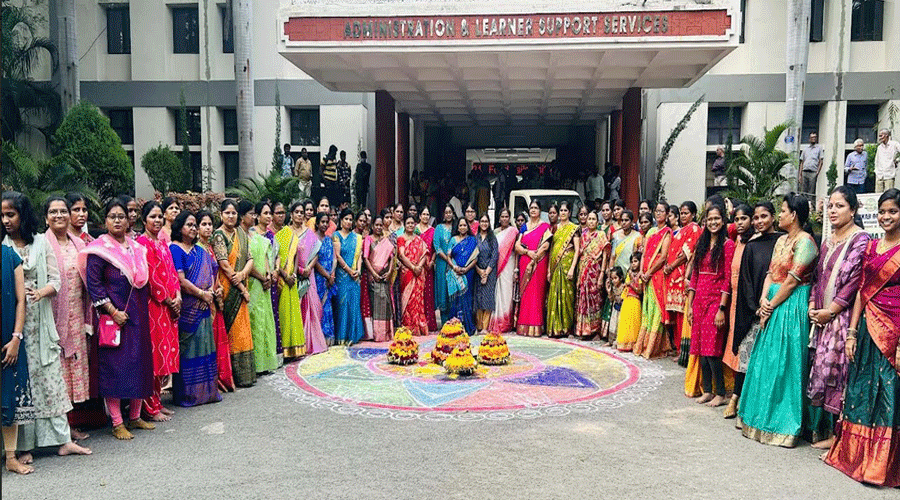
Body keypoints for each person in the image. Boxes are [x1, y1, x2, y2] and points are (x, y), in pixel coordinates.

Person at [2, 192, 92, 458]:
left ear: (23, 215)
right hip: (13, 324)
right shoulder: (4, 246)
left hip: (41, 322)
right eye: (3, 216)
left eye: (11, 214)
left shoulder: (41, 243)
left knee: (50, 380)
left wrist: (42, 293)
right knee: (22, 383)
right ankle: (23, 447)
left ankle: (62, 440)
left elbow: (57, 280)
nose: (6, 220)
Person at [824, 188, 900, 487]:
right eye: (882, 211)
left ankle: (883, 465)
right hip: (867, 328)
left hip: (893, 331)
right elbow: (861, 291)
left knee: (888, 395)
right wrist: (852, 332)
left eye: (892, 211)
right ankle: (857, 458)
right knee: (860, 392)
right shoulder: (872, 247)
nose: (885, 217)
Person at [738, 193, 818, 447]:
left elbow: (793, 280)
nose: (780, 215)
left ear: (793, 215)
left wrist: (771, 305)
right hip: (772, 301)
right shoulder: (781, 240)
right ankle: (760, 420)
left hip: (791, 305)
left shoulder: (806, 242)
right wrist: (763, 300)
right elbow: (771, 274)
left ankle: (784, 425)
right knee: (766, 361)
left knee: (785, 362)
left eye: (782, 211)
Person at [80, 197, 154, 440]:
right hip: (115, 320)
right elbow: (94, 285)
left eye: (122, 216)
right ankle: (117, 422)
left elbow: (143, 281)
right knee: (115, 368)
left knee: (139, 365)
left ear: (128, 219)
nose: (118, 220)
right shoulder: (99, 251)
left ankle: (135, 417)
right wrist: (112, 311)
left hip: (138, 315)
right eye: (112, 217)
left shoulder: (136, 248)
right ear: (105, 221)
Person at [807, 186, 870, 450]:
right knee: (826, 373)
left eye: (840, 206)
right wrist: (813, 304)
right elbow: (818, 278)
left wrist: (830, 310)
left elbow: (854, 282)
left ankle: (842, 438)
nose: (833, 211)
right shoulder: (828, 241)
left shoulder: (861, 240)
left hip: (843, 319)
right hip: (823, 318)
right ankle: (832, 434)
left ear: (853, 210)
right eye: (830, 206)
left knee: (841, 375)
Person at [726, 202, 781, 420]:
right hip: (754, 312)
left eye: (763, 216)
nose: (759, 221)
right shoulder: (752, 246)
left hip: (777, 308)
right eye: (756, 217)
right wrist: (755, 309)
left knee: (770, 362)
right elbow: (746, 282)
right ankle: (736, 398)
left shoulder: (783, 241)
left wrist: (772, 305)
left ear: (773, 217)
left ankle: (761, 405)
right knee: (746, 357)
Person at [43, 197, 91, 437]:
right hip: (52, 318)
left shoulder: (78, 244)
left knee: (74, 372)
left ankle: (70, 424)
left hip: (77, 315)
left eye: (63, 211)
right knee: (57, 371)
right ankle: (60, 429)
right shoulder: (42, 244)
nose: (59, 215)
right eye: (54, 211)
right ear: (46, 217)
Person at [168, 211, 221, 408]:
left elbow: (210, 274)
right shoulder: (175, 249)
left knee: (205, 347)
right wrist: (202, 294)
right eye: (189, 224)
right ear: (179, 227)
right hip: (189, 308)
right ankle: (188, 395)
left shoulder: (201, 251)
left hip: (205, 305)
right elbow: (180, 280)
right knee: (188, 351)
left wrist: (210, 292)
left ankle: (207, 392)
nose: (192, 228)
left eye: (194, 225)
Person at [685, 203, 735, 408]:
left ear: (723, 220)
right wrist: (689, 304)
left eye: (717, 219)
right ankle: (707, 390)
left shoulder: (727, 245)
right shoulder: (702, 244)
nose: (713, 222)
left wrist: (722, 308)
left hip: (716, 300)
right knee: (699, 347)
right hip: (699, 300)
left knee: (712, 348)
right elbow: (694, 276)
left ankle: (721, 392)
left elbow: (727, 279)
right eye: (709, 219)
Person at [135, 201, 181, 422]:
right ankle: (149, 407)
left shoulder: (162, 242)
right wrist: (168, 299)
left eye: (160, 217)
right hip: (154, 306)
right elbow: (150, 277)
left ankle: (158, 402)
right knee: (154, 357)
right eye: (152, 216)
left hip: (169, 307)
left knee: (165, 356)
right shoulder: (142, 243)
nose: (157, 220)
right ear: (144, 220)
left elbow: (171, 272)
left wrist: (178, 296)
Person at [212, 199, 256, 387]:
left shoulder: (242, 234)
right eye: (227, 213)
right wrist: (242, 287)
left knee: (243, 331)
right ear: (221, 214)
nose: (231, 216)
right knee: (231, 332)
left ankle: (246, 376)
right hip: (228, 290)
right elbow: (223, 263)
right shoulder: (218, 235)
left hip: (239, 283)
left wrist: (243, 274)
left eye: (234, 213)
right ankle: (231, 377)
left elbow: (250, 258)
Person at [2, 241, 35, 474]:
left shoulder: (10, 256)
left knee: (9, 395)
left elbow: (20, 300)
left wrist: (16, 338)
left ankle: (11, 457)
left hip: (8, 339)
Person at [720, 204, 754, 417]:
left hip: (747, 302)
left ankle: (739, 398)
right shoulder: (736, 242)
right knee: (736, 348)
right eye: (737, 219)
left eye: (744, 219)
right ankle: (735, 394)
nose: (739, 223)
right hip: (733, 302)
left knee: (745, 350)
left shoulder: (755, 243)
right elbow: (729, 227)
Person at [196, 211, 234, 392]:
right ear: (196, 227)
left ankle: (219, 380)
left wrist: (219, 289)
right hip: (203, 300)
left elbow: (215, 274)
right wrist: (210, 292)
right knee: (205, 343)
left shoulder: (210, 248)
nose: (208, 227)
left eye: (210, 224)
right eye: (204, 224)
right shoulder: (196, 248)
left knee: (217, 342)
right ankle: (207, 383)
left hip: (214, 298)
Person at [242, 201, 278, 373]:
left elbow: (266, 256)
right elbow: (246, 260)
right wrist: (261, 276)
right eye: (252, 213)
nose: (253, 217)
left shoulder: (259, 238)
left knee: (265, 321)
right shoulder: (243, 236)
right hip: (252, 283)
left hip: (264, 284)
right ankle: (255, 364)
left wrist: (269, 275)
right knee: (254, 321)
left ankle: (265, 362)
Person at [634, 202, 673, 359]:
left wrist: (649, 272)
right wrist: (642, 271)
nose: (658, 214)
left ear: (667, 213)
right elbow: (643, 254)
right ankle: (643, 345)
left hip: (657, 276)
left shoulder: (667, 232)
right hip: (647, 275)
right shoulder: (651, 231)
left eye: (661, 211)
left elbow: (663, 257)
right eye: (656, 211)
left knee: (656, 311)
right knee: (647, 310)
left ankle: (653, 347)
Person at [664, 201, 702, 364]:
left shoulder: (694, 228)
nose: (683, 216)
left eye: (686, 213)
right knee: (676, 315)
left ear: (693, 214)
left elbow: (687, 253)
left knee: (682, 315)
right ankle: (678, 348)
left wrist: (671, 266)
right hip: (673, 276)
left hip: (682, 276)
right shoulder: (682, 230)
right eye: (681, 213)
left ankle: (684, 351)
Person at [275, 202, 307, 359]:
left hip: (291, 280)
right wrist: (285, 276)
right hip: (280, 280)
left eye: (282, 212)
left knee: (294, 314)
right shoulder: (277, 234)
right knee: (283, 315)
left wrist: (293, 275)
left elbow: (294, 258)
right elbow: (274, 259)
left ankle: (295, 349)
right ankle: (285, 350)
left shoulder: (291, 235)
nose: (300, 214)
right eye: (277, 212)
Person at [515, 200, 552, 336]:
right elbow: (517, 246)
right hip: (525, 262)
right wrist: (527, 253)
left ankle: (536, 326)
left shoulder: (545, 226)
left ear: (540, 210)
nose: (533, 210)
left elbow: (546, 246)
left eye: (536, 208)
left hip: (539, 263)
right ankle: (523, 326)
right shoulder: (524, 227)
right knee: (525, 295)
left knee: (537, 294)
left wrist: (534, 257)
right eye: (531, 208)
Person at [546, 201, 581, 337]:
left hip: (567, 265)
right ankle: (555, 328)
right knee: (554, 295)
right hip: (555, 265)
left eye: (565, 210)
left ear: (570, 213)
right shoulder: (554, 228)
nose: (563, 213)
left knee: (566, 296)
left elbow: (577, 250)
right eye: (561, 210)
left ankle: (566, 328)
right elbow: (552, 249)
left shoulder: (574, 228)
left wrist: (572, 268)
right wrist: (549, 270)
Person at [296, 208, 328, 355]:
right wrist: (299, 270)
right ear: (291, 214)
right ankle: (298, 344)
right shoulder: (286, 233)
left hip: (309, 275)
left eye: (301, 213)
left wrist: (308, 268)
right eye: (296, 212)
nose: (299, 215)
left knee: (313, 308)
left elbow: (316, 253)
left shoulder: (309, 234)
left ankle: (312, 342)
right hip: (294, 276)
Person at [256, 202, 283, 364]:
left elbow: (277, 255)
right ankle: (260, 358)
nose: (268, 216)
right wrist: (264, 275)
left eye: (269, 213)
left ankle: (272, 356)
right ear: (257, 216)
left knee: (272, 316)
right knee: (260, 318)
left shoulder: (271, 235)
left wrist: (276, 270)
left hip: (272, 279)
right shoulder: (253, 234)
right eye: (265, 213)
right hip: (258, 281)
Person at [575, 210, 609, 338]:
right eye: (589, 219)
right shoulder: (583, 236)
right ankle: (583, 329)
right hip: (583, 270)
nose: (591, 221)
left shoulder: (601, 235)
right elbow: (580, 255)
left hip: (595, 271)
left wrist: (601, 275)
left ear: (597, 221)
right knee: (583, 298)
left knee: (595, 300)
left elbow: (605, 255)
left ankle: (595, 329)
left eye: (593, 219)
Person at [333, 209, 365, 345]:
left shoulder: (357, 237)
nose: (348, 222)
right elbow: (338, 255)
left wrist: (357, 270)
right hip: (342, 276)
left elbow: (359, 256)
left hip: (354, 276)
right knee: (342, 304)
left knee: (353, 304)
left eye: (351, 219)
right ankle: (341, 336)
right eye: (346, 219)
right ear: (341, 220)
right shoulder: (336, 235)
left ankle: (352, 336)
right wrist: (348, 270)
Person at [364, 215, 396, 341]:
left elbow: (392, 257)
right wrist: (374, 274)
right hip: (374, 277)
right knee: (376, 304)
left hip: (385, 276)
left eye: (380, 225)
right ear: (372, 226)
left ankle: (387, 333)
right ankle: (378, 334)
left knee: (386, 303)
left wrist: (389, 273)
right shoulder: (368, 239)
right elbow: (366, 258)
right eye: (376, 225)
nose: (378, 227)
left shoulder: (386, 241)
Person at [489, 208, 519, 334]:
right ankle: (497, 320)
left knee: (507, 293)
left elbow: (516, 252)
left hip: (509, 264)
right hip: (497, 265)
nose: (504, 219)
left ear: (509, 218)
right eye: (502, 216)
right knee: (497, 293)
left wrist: (516, 268)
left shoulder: (514, 231)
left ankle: (507, 322)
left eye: (507, 216)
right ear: (499, 218)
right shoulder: (495, 232)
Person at [398, 215, 428, 336]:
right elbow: (401, 256)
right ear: (404, 225)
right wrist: (413, 267)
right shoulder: (401, 238)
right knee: (408, 301)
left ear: (415, 224)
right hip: (407, 273)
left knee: (418, 301)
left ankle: (419, 327)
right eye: (408, 223)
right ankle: (408, 327)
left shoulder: (419, 240)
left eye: (412, 223)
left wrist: (419, 266)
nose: (410, 225)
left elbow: (424, 254)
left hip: (418, 274)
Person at [448, 217, 479, 333]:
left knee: (467, 298)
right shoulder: (453, 240)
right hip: (455, 274)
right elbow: (448, 256)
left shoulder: (472, 240)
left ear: (468, 227)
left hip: (468, 273)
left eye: (464, 225)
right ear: (457, 227)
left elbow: (475, 259)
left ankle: (467, 326)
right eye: (460, 225)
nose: (462, 227)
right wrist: (454, 267)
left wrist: (466, 269)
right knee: (456, 299)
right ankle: (454, 326)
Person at [313, 213, 337, 345]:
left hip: (329, 278)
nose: (324, 224)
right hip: (318, 279)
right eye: (322, 222)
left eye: (326, 222)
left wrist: (332, 274)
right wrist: (327, 275)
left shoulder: (329, 239)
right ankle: (319, 339)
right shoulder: (313, 239)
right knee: (319, 307)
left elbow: (334, 257)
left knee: (328, 307)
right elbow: (314, 262)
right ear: (317, 223)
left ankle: (328, 338)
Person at [473, 214, 499, 334]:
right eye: (482, 221)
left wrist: (486, 273)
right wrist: (479, 271)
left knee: (488, 299)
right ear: (479, 223)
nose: (484, 223)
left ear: (489, 223)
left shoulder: (492, 238)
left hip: (490, 272)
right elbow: (472, 256)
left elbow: (495, 256)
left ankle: (485, 327)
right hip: (477, 271)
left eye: (486, 221)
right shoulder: (475, 238)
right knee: (478, 298)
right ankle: (478, 326)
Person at [416, 207, 438, 332]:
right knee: (418, 294)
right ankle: (418, 323)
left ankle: (429, 323)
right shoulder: (415, 229)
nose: (425, 216)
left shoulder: (432, 231)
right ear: (419, 216)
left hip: (428, 266)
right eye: (423, 214)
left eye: (427, 214)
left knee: (428, 294)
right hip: (417, 266)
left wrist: (432, 262)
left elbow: (434, 249)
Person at [617, 252, 644, 351]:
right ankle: (623, 344)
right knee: (625, 322)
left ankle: (632, 345)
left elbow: (640, 290)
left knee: (633, 324)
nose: (633, 264)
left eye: (636, 261)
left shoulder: (640, 274)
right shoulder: (629, 272)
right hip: (627, 300)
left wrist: (630, 283)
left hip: (635, 301)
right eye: (632, 261)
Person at [433, 205, 455, 324]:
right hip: (442, 264)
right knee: (442, 289)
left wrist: (452, 261)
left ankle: (454, 320)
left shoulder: (456, 227)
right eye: (446, 212)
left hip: (454, 264)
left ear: (453, 213)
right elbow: (437, 246)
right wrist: (448, 260)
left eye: (450, 212)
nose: (448, 214)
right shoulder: (438, 228)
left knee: (452, 289)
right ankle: (444, 321)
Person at [609, 210, 642, 275]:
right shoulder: (615, 235)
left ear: (632, 222)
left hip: (631, 272)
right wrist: (610, 272)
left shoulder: (637, 236)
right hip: (617, 273)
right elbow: (613, 256)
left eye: (626, 220)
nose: (624, 222)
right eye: (622, 220)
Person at [799, 132, 824, 199]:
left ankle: (812, 207)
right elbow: (802, 162)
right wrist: (800, 174)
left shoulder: (819, 148)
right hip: (804, 171)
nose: (813, 139)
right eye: (812, 137)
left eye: (815, 137)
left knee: (811, 191)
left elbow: (821, 161)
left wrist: (817, 172)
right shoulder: (805, 149)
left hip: (813, 172)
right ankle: (803, 206)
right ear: (809, 139)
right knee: (803, 191)